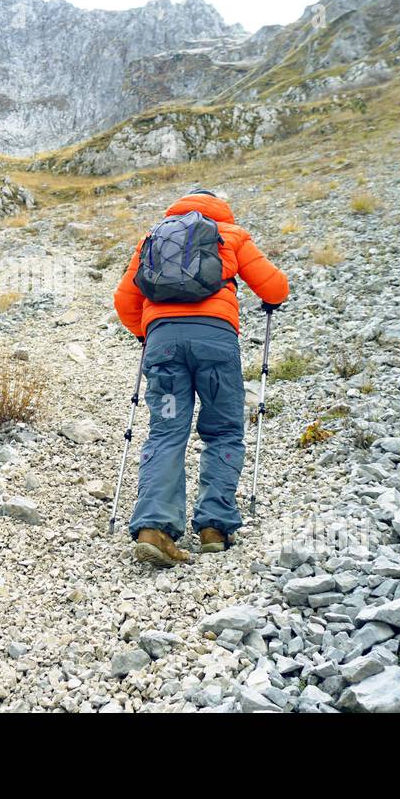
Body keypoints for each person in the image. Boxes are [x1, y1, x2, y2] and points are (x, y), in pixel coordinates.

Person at [113, 189, 289, 567]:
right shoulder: (231, 234)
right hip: (215, 345)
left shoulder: (153, 237)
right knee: (223, 429)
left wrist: (147, 334)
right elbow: (275, 288)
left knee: (166, 429)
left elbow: (124, 301)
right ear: (220, 206)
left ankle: (154, 528)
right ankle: (214, 527)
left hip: (164, 349)